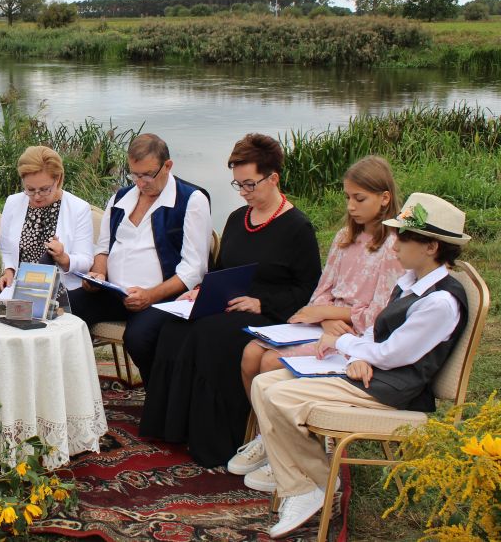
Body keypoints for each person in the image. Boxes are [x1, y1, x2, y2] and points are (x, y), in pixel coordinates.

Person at [254, 193, 471, 538]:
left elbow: (392, 354)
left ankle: (309, 486)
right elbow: (376, 333)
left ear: (431, 247)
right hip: (372, 372)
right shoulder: (411, 282)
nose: (394, 243)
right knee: (263, 383)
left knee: (280, 396)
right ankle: (313, 482)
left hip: (394, 389)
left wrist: (340, 343)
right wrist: (357, 357)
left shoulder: (440, 303)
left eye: (404, 236)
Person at [138, 133, 322, 467]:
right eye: (238, 184)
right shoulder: (238, 218)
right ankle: (173, 427)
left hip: (271, 314)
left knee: (208, 336)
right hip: (230, 306)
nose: (244, 192)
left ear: (273, 178)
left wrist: (262, 303)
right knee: (173, 328)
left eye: (250, 184)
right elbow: (222, 269)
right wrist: (201, 291)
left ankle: (217, 439)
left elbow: (309, 289)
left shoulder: (298, 228)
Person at [229, 155, 404, 489]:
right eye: (348, 197)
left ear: (384, 198)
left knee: (270, 361)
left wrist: (329, 315)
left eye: (359, 199)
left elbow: (381, 312)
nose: (351, 206)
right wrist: (322, 317)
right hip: (325, 324)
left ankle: (291, 450)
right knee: (251, 353)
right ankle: (270, 437)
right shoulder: (344, 238)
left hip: (357, 333)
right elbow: (320, 292)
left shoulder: (393, 248)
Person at [72, 133, 212, 383]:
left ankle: (159, 393)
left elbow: (194, 270)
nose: (140, 182)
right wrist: (98, 274)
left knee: (139, 337)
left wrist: (150, 295)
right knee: (65, 309)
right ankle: (75, 386)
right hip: (114, 292)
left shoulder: (191, 200)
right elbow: (103, 248)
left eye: (147, 175)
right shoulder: (120, 197)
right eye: (134, 175)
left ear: (167, 166)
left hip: (163, 297)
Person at [0, 146, 94, 303]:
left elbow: (86, 261)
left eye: (44, 189)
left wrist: (63, 258)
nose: (37, 196)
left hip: (61, 293)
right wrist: (8, 270)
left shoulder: (78, 208)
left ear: (58, 179)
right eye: (30, 189)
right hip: (18, 289)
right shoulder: (13, 202)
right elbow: (5, 250)